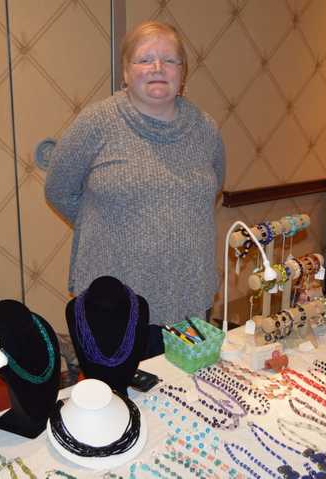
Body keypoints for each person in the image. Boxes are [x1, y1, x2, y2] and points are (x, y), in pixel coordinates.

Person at [45, 21, 225, 358]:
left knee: (190, 397)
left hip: (189, 296)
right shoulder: (96, 124)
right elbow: (59, 190)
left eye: (170, 60)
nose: (158, 68)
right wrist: (112, 227)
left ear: (183, 73)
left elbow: (210, 190)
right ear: (126, 71)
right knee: (122, 401)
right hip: (115, 302)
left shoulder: (206, 129)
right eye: (145, 59)